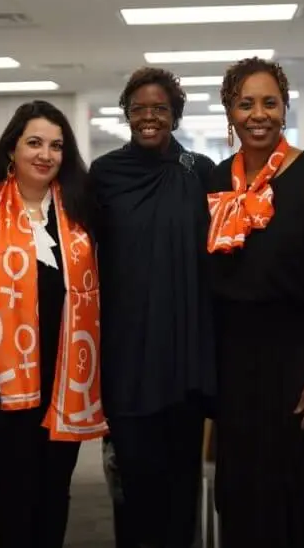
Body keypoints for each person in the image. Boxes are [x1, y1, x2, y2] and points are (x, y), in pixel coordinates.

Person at [206, 57, 304, 548]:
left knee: (297, 490)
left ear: (285, 109)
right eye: (246, 104)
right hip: (234, 364)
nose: (258, 114)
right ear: (230, 111)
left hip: (297, 359)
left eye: (269, 102)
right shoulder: (215, 181)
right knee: (241, 491)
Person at [0, 100, 106, 548]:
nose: (46, 154)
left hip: (66, 377)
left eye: (56, 146)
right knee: (15, 494)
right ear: (12, 148)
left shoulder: (79, 209)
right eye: (34, 143)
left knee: (55, 493)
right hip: (2, 383)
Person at [89, 67, 216, 548]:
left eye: (159, 109)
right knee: (134, 485)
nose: (148, 117)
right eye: (138, 108)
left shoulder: (199, 172)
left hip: (183, 353)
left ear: (175, 115)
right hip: (127, 353)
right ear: (126, 115)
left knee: (181, 484)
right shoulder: (104, 175)